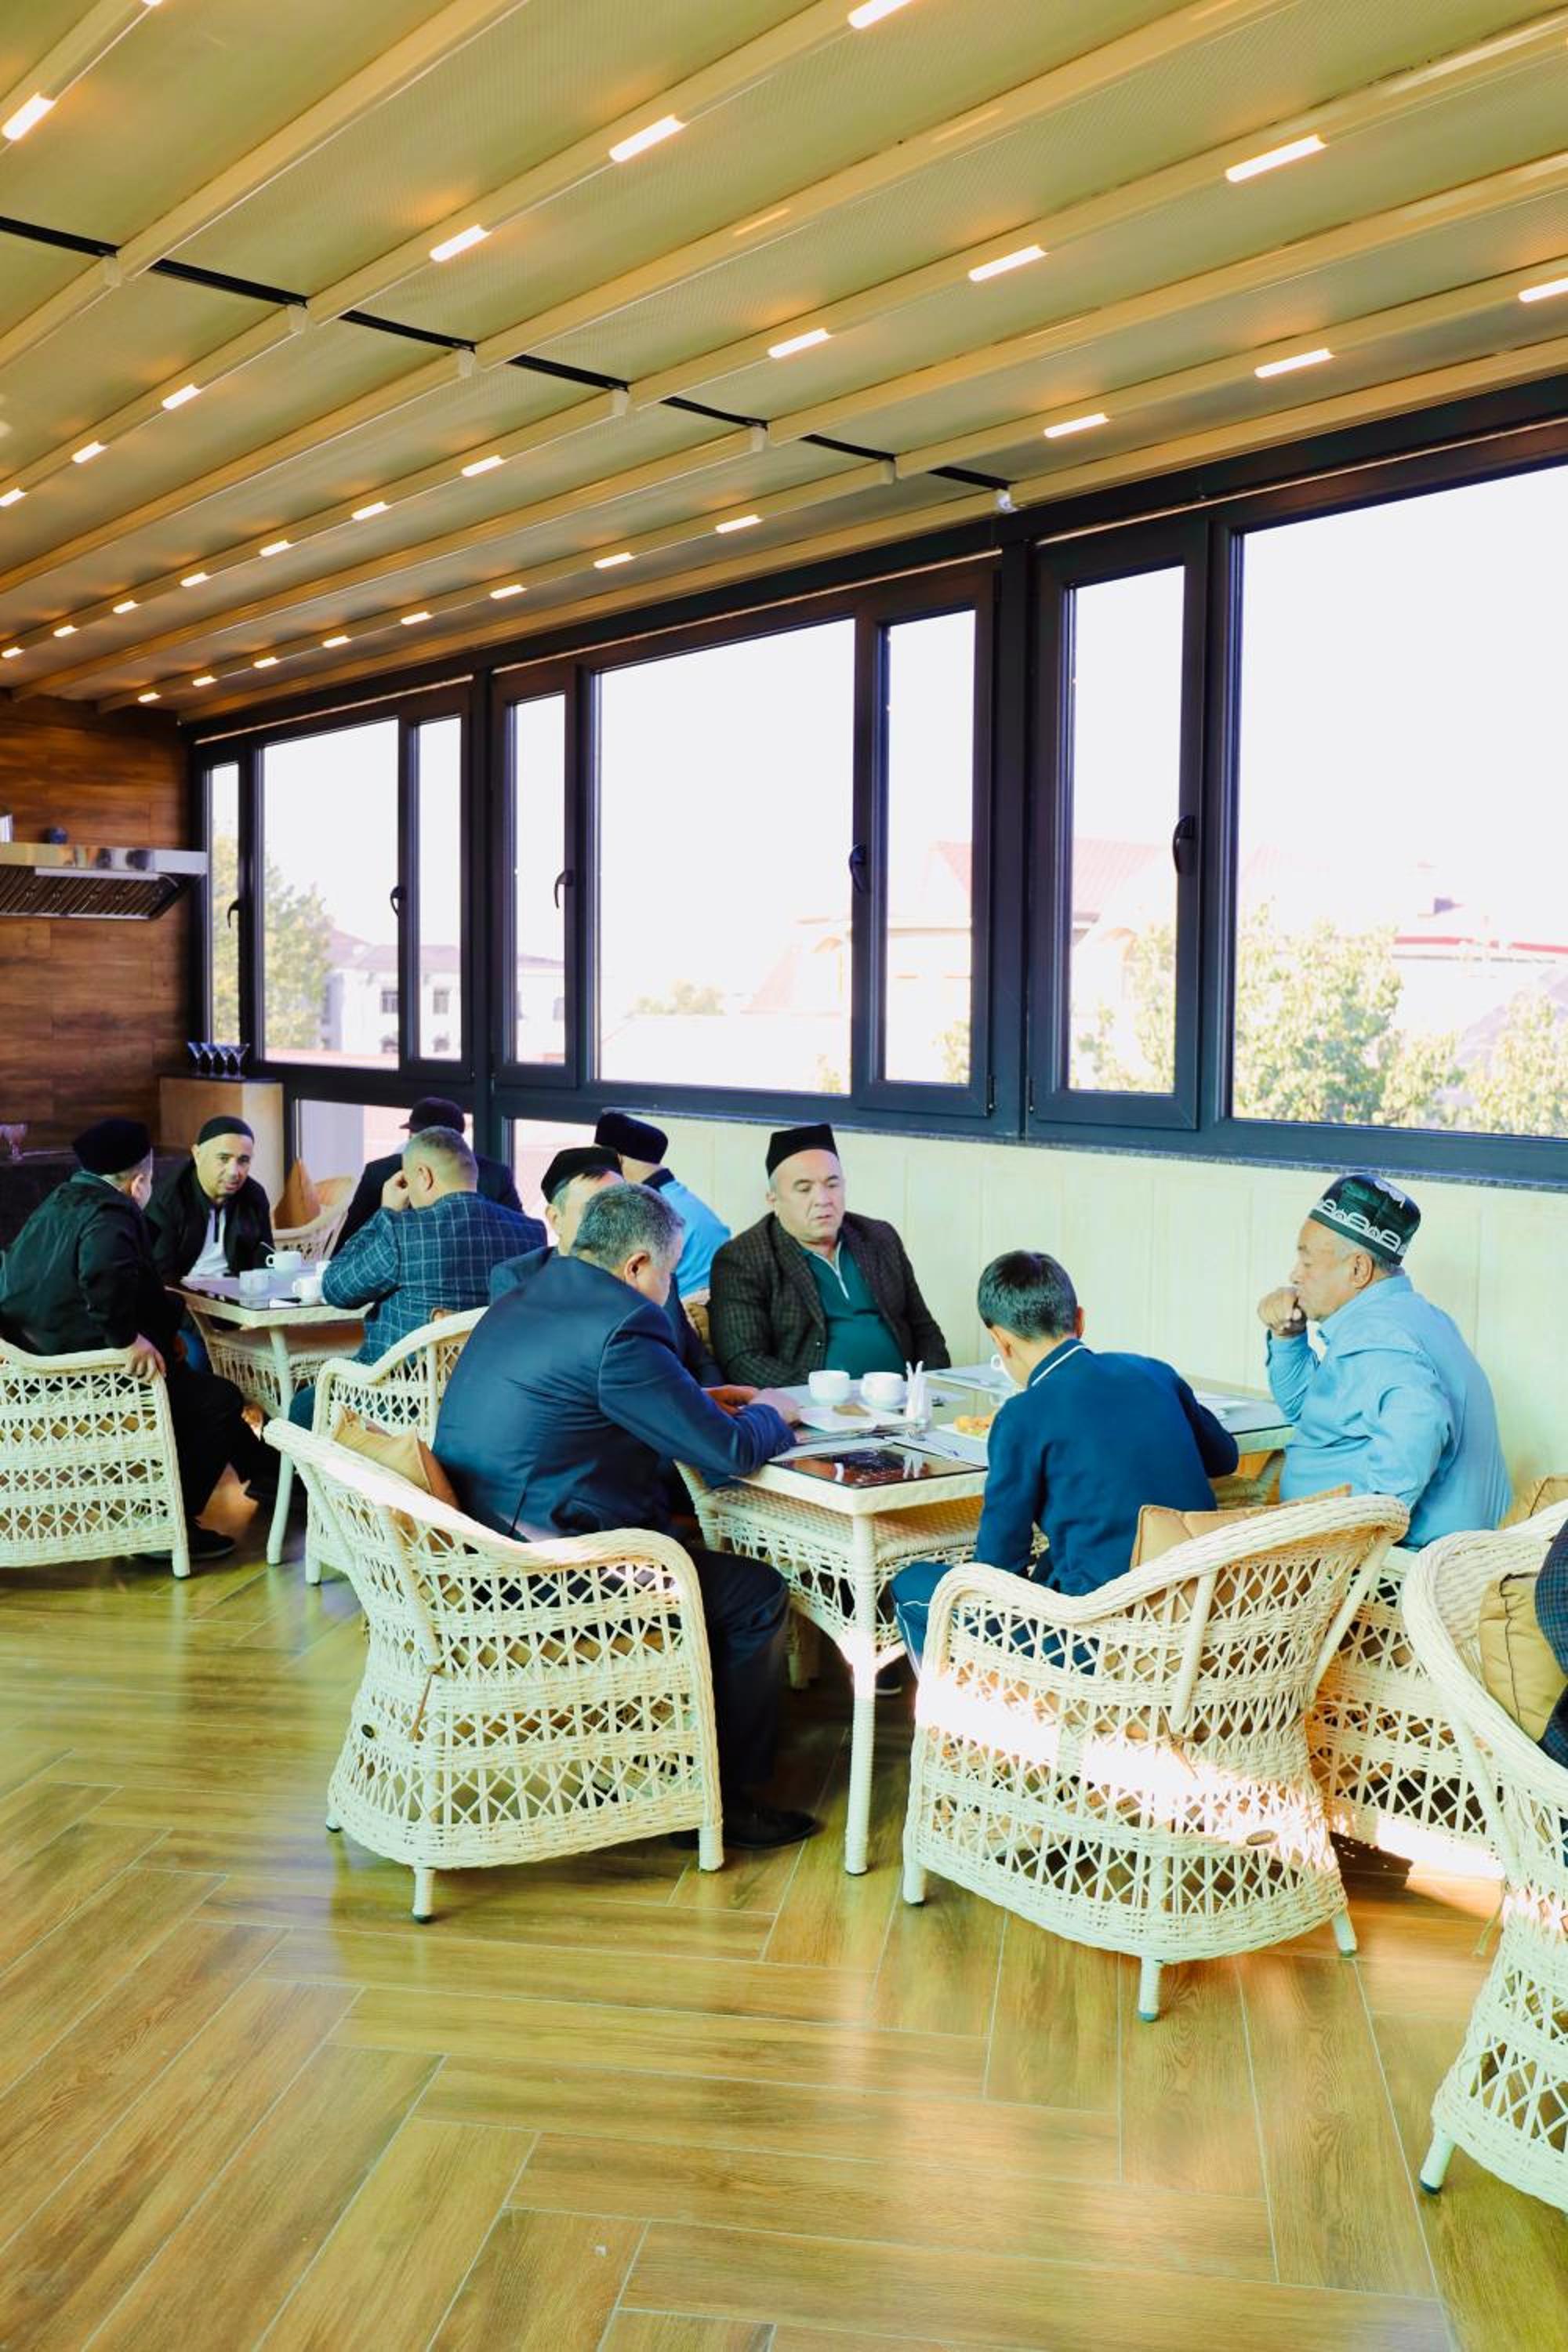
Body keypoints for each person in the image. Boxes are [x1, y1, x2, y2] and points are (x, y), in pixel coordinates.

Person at [435, 1182, 817, 1850]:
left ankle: (673, 1748)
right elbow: (728, 1453)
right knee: (755, 1594)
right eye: (669, 1274)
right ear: (638, 1265)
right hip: (546, 1569)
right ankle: (721, 1797)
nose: (669, 1290)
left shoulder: (530, 1293)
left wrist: (691, 1400)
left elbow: (582, 1396)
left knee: (713, 1571)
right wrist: (773, 1411)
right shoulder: (623, 1323)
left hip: (478, 1541)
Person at [891, 1250, 1238, 1667]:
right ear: (1080, 1320)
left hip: (1096, 1641)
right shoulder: (1154, 1372)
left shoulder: (1021, 1416)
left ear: (1001, 1342)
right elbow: (1225, 1458)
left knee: (912, 1584)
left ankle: (977, 1707)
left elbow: (998, 1568)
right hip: (1199, 1621)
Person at [0, 1116, 276, 1562]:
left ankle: (264, 1476)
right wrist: (127, 1340)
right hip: (88, 1374)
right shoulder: (112, 1214)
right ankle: (167, 1521)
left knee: (192, 1384)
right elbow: (103, 1277)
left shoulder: (59, 1200)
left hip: (32, 1364)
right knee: (219, 1401)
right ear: (139, 1182)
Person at [1258, 1174, 1510, 1547]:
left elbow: (1422, 1420)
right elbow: (1303, 1409)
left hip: (1396, 1563)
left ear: (1358, 1269)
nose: (1295, 1275)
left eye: (1307, 1262)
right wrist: (1289, 1337)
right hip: (1439, 1550)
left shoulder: (1378, 1337)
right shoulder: (1416, 1317)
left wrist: (1357, 1542)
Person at [289, 1127, 542, 1424]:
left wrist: (385, 1212)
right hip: (490, 1398)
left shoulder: (403, 1231)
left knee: (304, 1405)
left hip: (398, 1401)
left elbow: (336, 1288)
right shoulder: (530, 1233)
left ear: (423, 1176)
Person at [710, 1122, 949, 1389]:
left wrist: (926, 1389)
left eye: (832, 1185)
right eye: (804, 1189)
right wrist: (832, 1395)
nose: (823, 1199)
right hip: (815, 1408)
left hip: (902, 1399)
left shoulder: (879, 1238)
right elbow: (743, 1361)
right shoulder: (743, 1259)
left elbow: (925, 1330)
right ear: (773, 1200)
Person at [492, 1145, 719, 1383]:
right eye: (596, 1212)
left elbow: (699, 1362)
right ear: (555, 1219)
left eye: (624, 1210)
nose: (615, 1223)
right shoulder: (520, 1278)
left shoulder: (654, 1272)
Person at [334, 1096, 524, 1254]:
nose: (413, 1147)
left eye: (424, 1141)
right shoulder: (380, 1174)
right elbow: (345, 1246)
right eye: (412, 1138)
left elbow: (518, 1237)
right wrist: (387, 1214)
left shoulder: (495, 1177)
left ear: (454, 1141)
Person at [594, 1110, 730, 1298]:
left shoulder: (644, 1211)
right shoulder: (683, 1201)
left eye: (596, 1159)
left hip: (684, 1310)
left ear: (616, 1159)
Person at [147, 1114, 274, 1284]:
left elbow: (265, 1262)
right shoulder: (168, 1198)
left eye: (243, 1161)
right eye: (223, 1159)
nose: (234, 1172)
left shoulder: (254, 1196)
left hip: (240, 1292)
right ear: (198, 1155)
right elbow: (160, 1273)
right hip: (183, 1293)